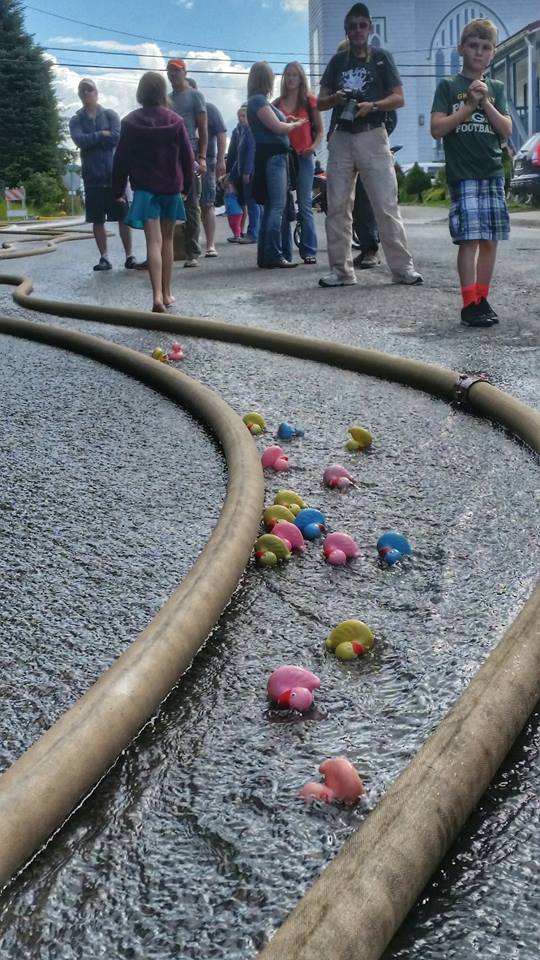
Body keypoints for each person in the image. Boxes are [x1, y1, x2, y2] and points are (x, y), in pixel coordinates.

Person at [316, 3, 422, 287]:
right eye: (352, 26)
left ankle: (403, 269)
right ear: (346, 30)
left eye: (362, 25)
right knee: (337, 206)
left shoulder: (382, 58)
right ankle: (341, 271)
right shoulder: (337, 62)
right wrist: (336, 98)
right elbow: (319, 102)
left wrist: (372, 105)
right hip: (342, 136)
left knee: (385, 203)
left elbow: (399, 98)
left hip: (373, 133)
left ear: (370, 28)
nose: (358, 31)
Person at [431, 18, 511, 327]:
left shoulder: (497, 88)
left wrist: (486, 103)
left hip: (492, 172)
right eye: (473, 46)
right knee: (470, 239)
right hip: (463, 174)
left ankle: (482, 298)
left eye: (485, 47)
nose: (479, 52)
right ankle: (469, 303)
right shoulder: (449, 86)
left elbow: (506, 129)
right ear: (461, 49)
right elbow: (437, 128)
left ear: (493, 52)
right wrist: (467, 106)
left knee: (490, 240)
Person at [112, 71, 193, 312]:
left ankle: (156, 295)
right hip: (171, 188)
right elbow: (187, 157)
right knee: (167, 240)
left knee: (153, 242)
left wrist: (117, 189)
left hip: (146, 190)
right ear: (162, 93)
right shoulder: (175, 121)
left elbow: (121, 159)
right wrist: (187, 187)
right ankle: (167, 294)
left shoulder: (129, 122)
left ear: (141, 93)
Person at [69, 78, 136, 271]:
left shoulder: (110, 115)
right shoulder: (76, 120)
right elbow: (79, 140)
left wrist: (95, 138)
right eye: (82, 90)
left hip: (115, 176)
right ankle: (104, 257)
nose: (86, 93)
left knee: (123, 218)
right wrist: (101, 135)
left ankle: (129, 256)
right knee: (97, 220)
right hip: (92, 178)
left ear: (96, 93)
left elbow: (116, 137)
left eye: (89, 89)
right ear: (79, 95)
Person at [246, 61, 306, 269]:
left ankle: (266, 255)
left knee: (271, 206)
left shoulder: (259, 102)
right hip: (274, 157)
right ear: (266, 79)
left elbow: (274, 122)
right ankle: (273, 253)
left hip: (271, 156)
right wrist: (295, 124)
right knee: (277, 206)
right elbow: (278, 128)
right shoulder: (258, 101)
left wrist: (285, 119)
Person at [274, 62, 324, 265]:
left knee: (304, 205)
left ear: (301, 78)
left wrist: (313, 147)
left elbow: (320, 130)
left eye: (295, 75)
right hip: (283, 158)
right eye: (288, 75)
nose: (291, 78)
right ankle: (285, 252)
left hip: (304, 157)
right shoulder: (277, 104)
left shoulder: (310, 102)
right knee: (283, 205)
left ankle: (309, 249)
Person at [166, 58, 208, 267]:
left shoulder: (195, 96)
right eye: (170, 71)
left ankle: (192, 252)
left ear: (184, 72)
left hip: (190, 153)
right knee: (168, 202)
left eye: (176, 70)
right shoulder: (167, 99)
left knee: (191, 203)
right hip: (169, 155)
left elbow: (203, 129)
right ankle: (167, 250)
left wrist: (202, 157)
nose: (173, 74)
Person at [187, 79, 226, 258]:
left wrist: (221, 160)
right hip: (185, 163)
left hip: (207, 162)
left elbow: (221, 133)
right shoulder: (180, 109)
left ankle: (210, 245)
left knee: (207, 203)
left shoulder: (209, 109)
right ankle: (190, 245)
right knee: (189, 205)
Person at [229, 104, 261, 244]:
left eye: (243, 116)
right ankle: (255, 231)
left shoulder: (251, 132)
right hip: (244, 172)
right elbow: (239, 157)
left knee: (252, 204)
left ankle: (253, 233)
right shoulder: (243, 132)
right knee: (252, 203)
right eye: (239, 116)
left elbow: (250, 154)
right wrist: (232, 175)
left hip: (250, 173)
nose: (241, 119)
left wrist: (247, 172)